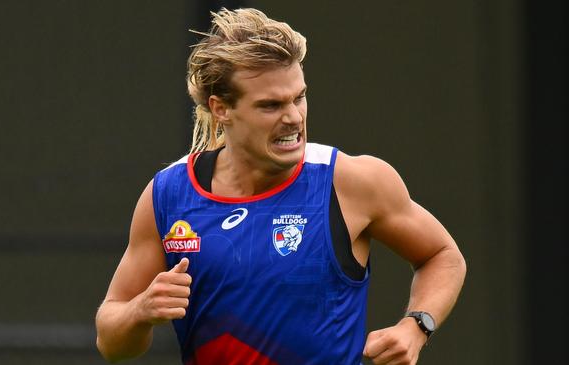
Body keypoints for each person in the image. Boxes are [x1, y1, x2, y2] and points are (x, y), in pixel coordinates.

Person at [95, 8, 466, 365]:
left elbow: (442, 256)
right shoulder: (169, 195)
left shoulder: (351, 181)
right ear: (220, 108)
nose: (293, 117)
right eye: (271, 105)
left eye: (299, 97)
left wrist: (416, 326)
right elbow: (111, 343)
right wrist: (141, 310)